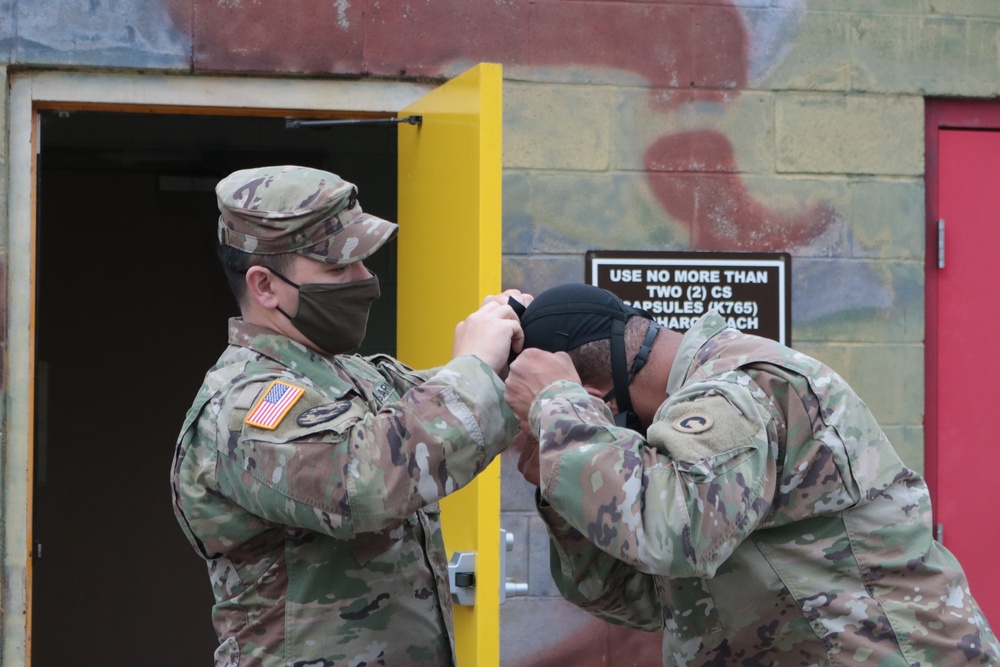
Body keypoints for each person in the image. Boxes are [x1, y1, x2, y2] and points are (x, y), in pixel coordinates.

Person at [504, 283, 999, 666]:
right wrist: (564, 481)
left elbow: (680, 534)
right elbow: (636, 599)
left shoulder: (737, 389)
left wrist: (560, 414)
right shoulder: (675, 436)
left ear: (593, 393)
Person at [170, 165, 526, 667]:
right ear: (265, 286)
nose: (367, 282)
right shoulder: (244, 407)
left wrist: (519, 336)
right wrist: (473, 365)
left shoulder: (351, 376)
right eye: (340, 269)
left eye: (362, 262)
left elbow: (455, 411)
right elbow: (365, 483)